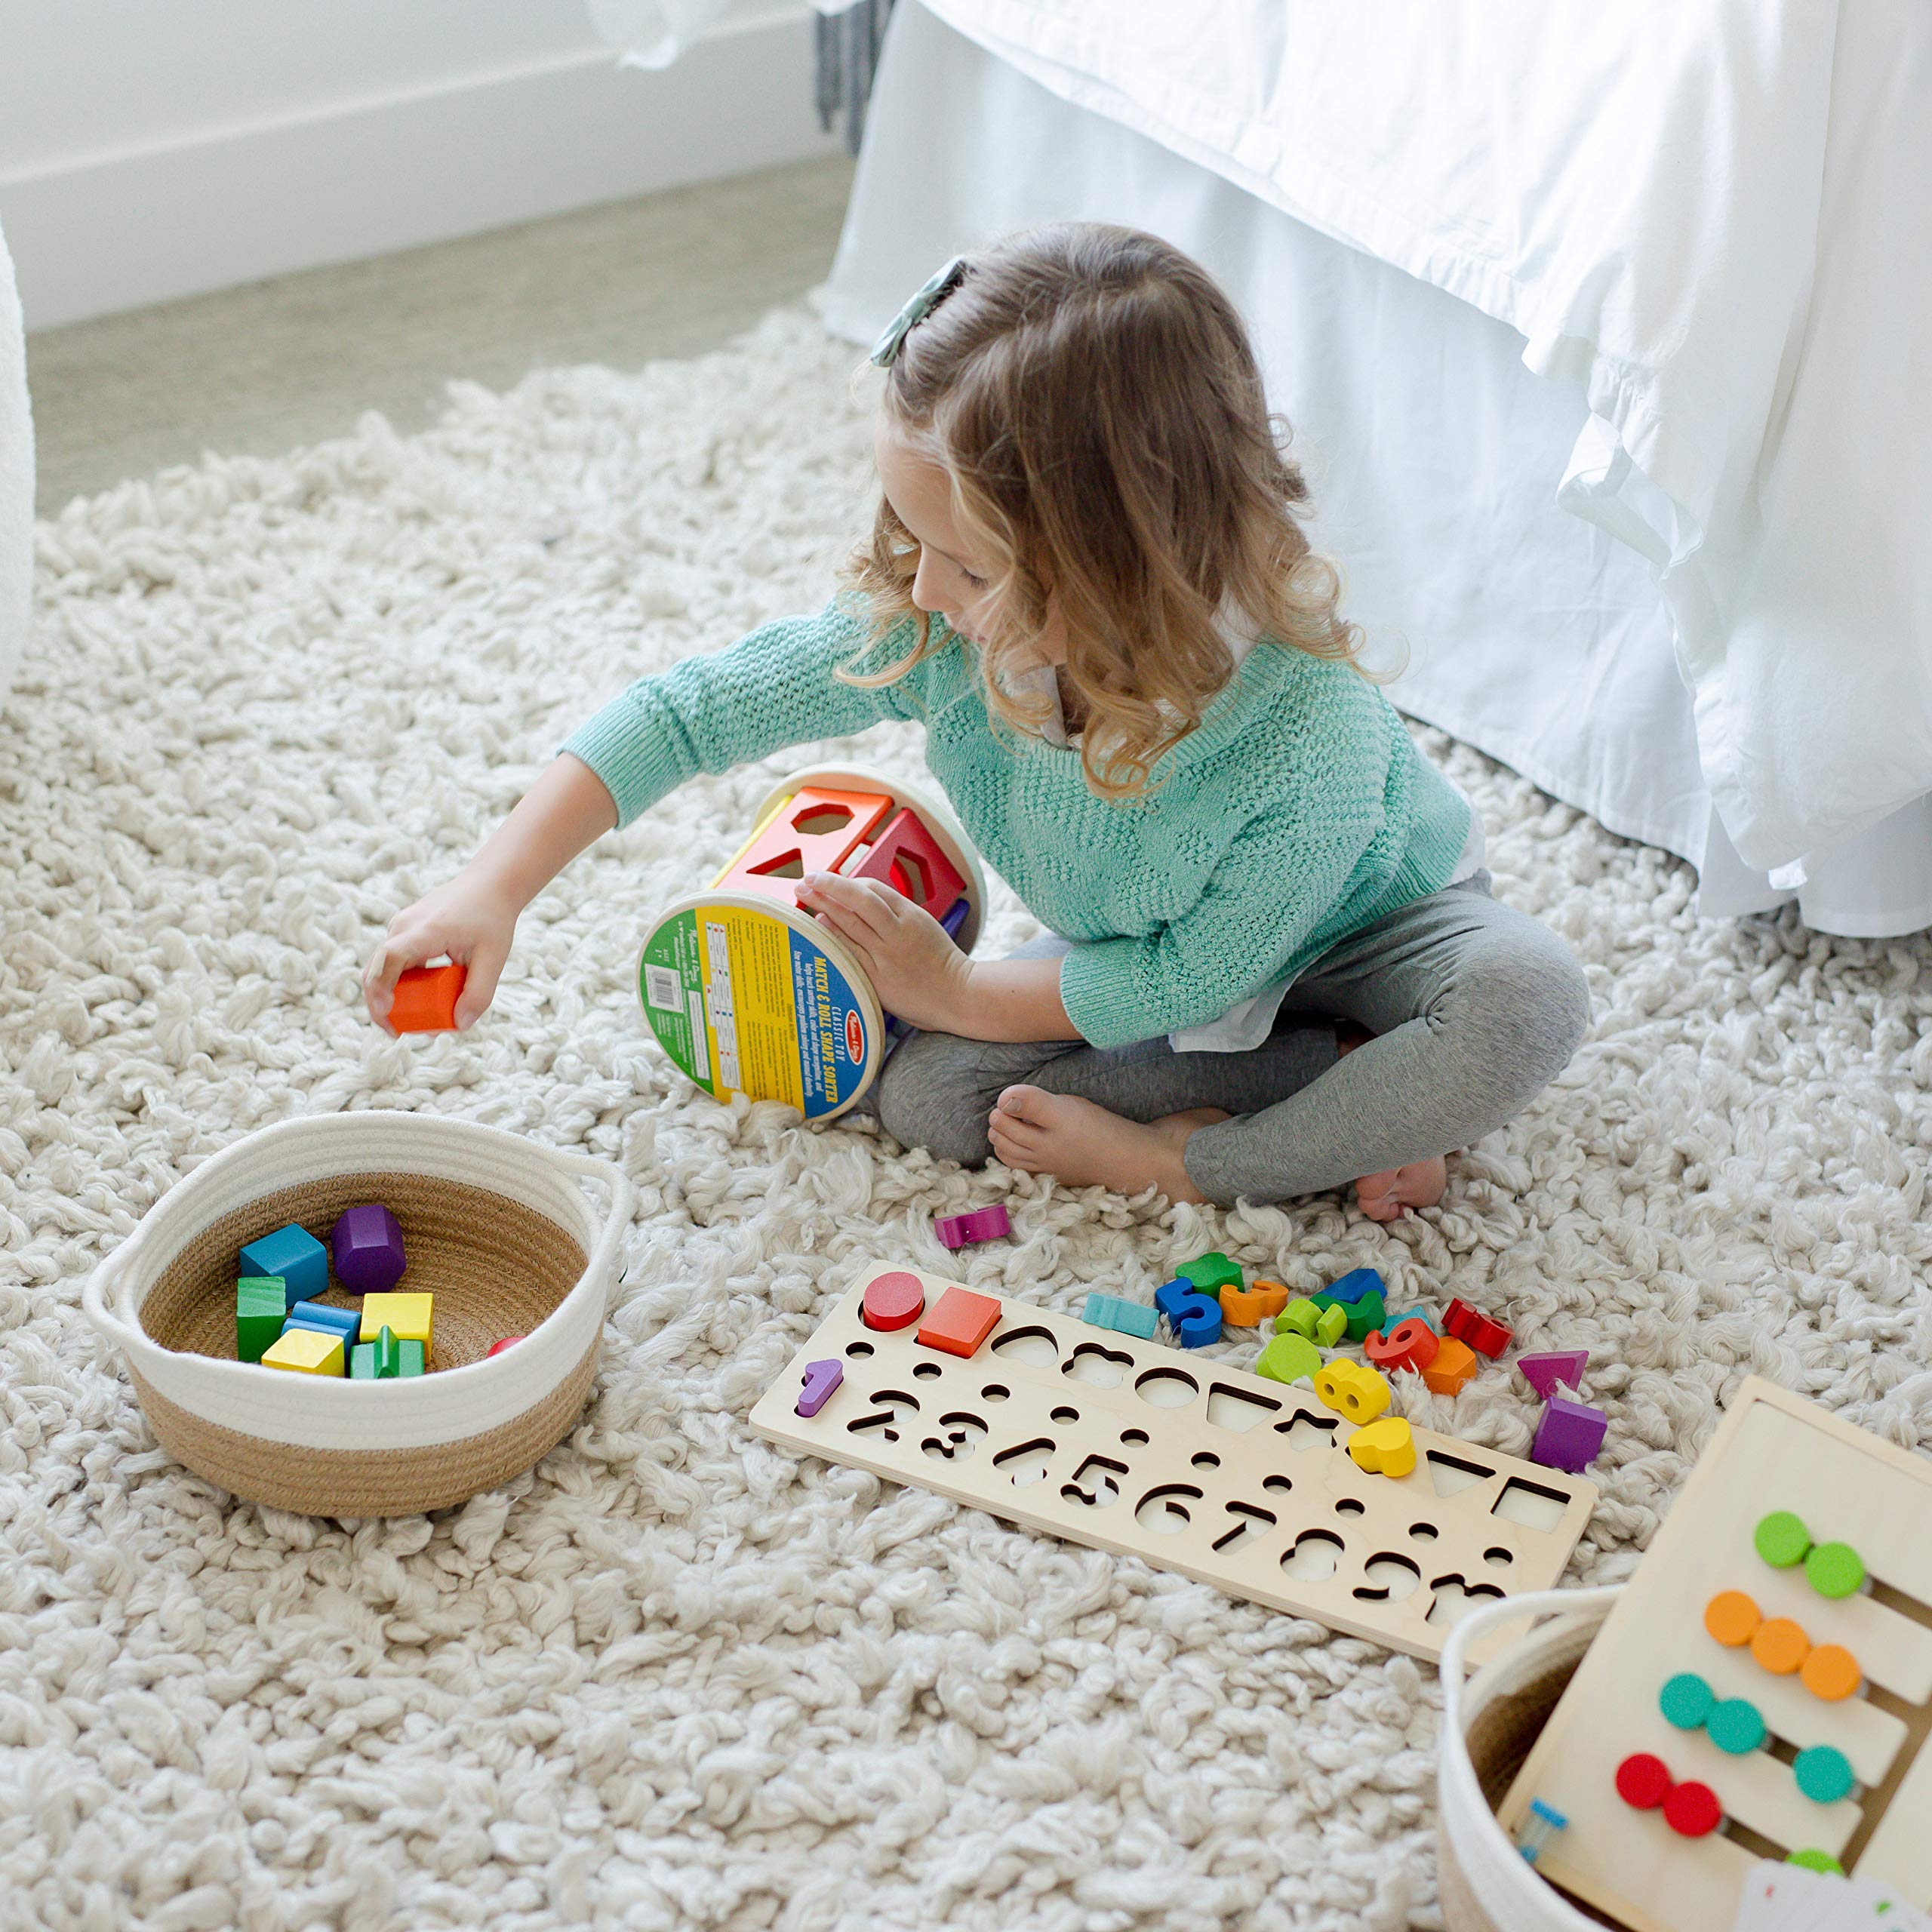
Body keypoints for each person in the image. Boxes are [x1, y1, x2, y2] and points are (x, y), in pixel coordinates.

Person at [365, 224, 1589, 1217]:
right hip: (1163, 972)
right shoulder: (946, 629)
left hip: (1375, 929)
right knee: (935, 1101)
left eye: (969, 564)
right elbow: (698, 708)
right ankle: (1350, 1096)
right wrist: (496, 885)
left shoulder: (1301, 734)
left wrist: (956, 988)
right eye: (915, 544)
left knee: (1525, 999)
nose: (927, 594)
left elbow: (1197, 971)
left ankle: (1199, 1160)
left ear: (1125, 563)